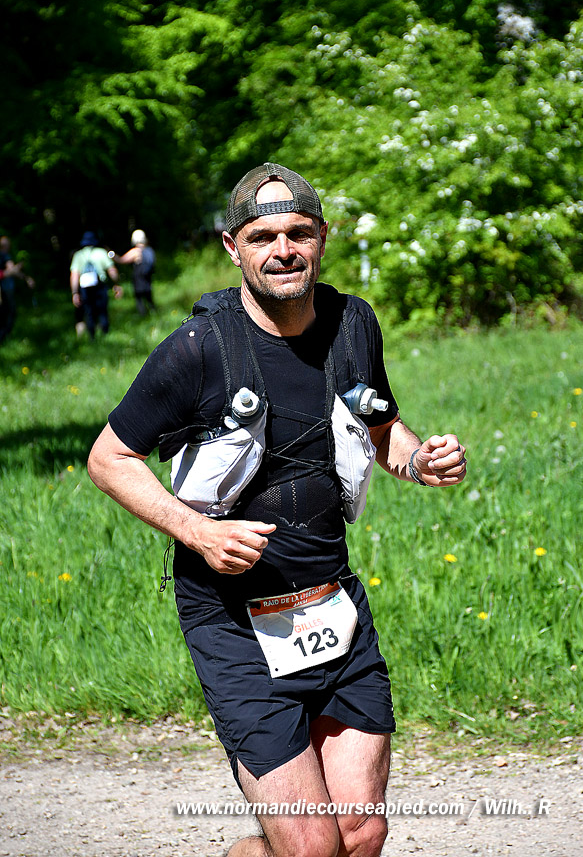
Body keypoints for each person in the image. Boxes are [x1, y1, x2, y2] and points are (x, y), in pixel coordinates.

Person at [88, 163, 467, 857]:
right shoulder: (198, 349)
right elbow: (108, 458)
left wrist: (419, 461)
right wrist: (197, 531)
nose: (283, 250)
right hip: (233, 619)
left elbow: (379, 425)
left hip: (330, 603)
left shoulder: (354, 324)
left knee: (360, 832)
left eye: (298, 232)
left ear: (322, 237)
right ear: (233, 247)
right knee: (312, 847)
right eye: (263, 236)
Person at [69, 231, 121, 339]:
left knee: (89, 312)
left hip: (85, 288)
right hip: (100, 286)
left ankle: (92, 337)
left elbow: (74, 276)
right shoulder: (101, 252)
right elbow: (112, 270)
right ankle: (105, 335)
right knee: (102, 310)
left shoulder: (78, 255)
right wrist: (116, 284)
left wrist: (75, 293)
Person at [0, 235, 35, 344]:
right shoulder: (4, 256)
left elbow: (11, 270)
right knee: (8, 312)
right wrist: (22, 274)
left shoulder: (5, 256)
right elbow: (11, 270)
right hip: (5, 290)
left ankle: (4, 337)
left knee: (7, 312)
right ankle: (3, 336)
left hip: (6, 289)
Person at [113, 228, 156, 315]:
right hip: (148, 280)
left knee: (139, 301)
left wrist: (112, 255)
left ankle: (143, 317)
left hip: (138, 281)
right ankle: (154, 314)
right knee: (149, 299)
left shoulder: (135, 251)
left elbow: (122, 260)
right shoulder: (149, 250)